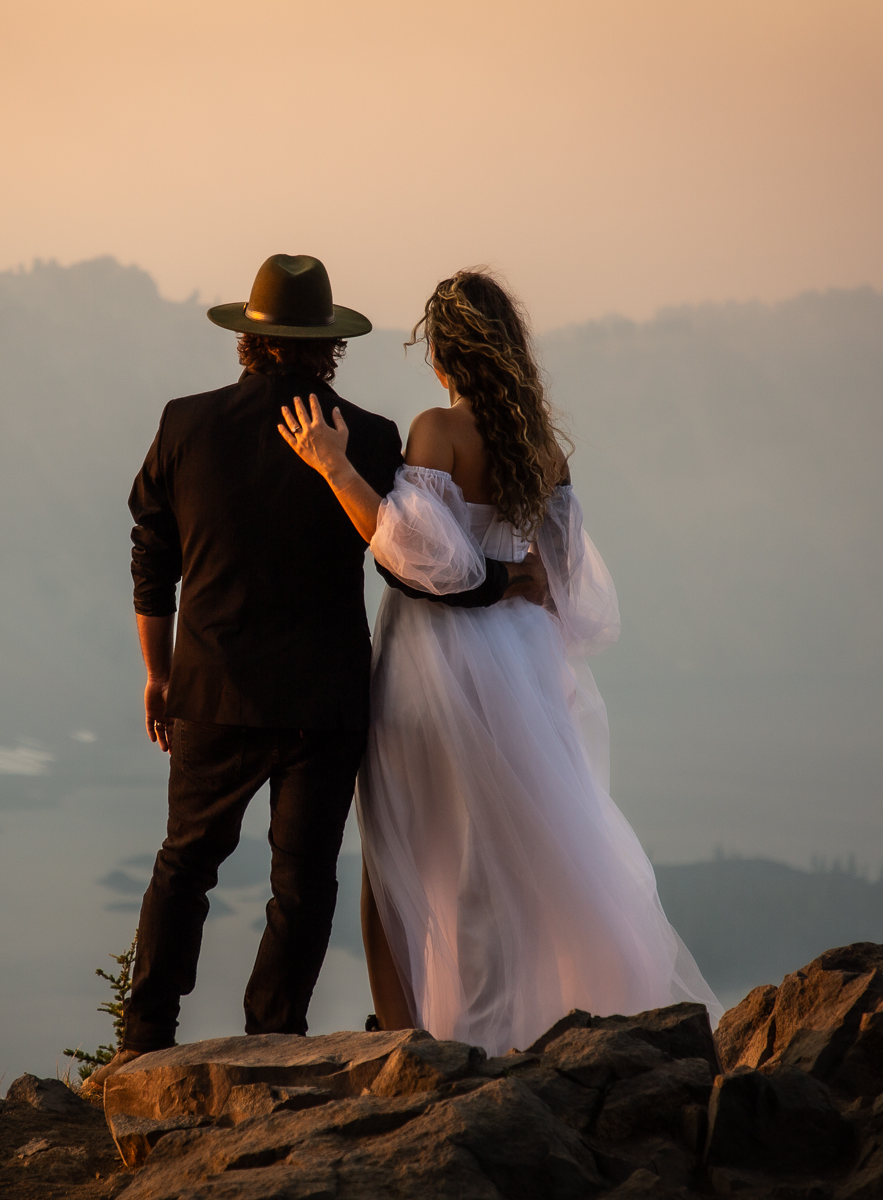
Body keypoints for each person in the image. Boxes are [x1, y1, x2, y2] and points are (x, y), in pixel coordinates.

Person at [89, 255, 542, 1092]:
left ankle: (144, 1039)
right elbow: (416, 565)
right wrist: (506, 581)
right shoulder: (366, 438)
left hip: (211, 690)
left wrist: (157, 673)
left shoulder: (184, 425)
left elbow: (151, 550)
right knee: (302, 882)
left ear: (249, 341)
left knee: (185, 863)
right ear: (328, 347)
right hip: (326, 701)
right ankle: (276, 1041)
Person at [277, 268, 720, 1054]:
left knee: (406, 851)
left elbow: (422, 562)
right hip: (521, 665)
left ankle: (417, 1038)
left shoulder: (436, 430)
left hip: (432, 665)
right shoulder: (542, 449)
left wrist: (336, 468)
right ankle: (502, 1027)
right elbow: (566, 589)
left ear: (445, 352)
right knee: (502, 861)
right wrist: (516, 578)